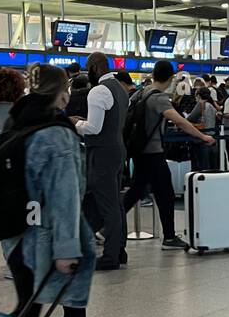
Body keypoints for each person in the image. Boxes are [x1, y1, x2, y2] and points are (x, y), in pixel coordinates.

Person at [4, 65, 110, 317]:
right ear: (61, 93)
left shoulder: (17, 121)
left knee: (28, 308)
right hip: (53, 239)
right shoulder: (58, 134)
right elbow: (65, 197)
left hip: (19, 238)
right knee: (73, 305)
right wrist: (67, 249)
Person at [122, 59, 214, 248]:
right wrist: (202, 137)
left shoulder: (140, 93)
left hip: (139, 150)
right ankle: (169, 237)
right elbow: (179, 121)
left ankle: (105, 226)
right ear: (171, 78)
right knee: (164, 193)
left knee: (137, 191)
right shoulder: (158, 98)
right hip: (152, 153)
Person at [73, 51, 129, 272]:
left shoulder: (98, 91)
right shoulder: (121, 89)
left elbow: (94, 128)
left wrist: (75, 124)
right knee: (116, 202)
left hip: (102, 153)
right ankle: (119, 250)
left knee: (108, 205)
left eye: (88, 69)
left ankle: (110, 257)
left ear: (95, 67)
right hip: (117, 149)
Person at [187, 87, 218, 171]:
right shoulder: (212, 105)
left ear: (198, 95)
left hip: (201, 139)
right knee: (211, 167)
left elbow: (189, 119)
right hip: (212, 138)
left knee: (201, 167)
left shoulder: (200, 104)